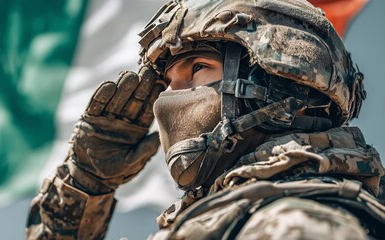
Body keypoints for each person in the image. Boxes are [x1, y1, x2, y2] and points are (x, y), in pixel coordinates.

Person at [26, 0, 385, 239]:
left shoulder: (293, 226)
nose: (168, 100)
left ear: (279, 83)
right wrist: (83, 185)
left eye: (198, 68)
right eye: (168, 83)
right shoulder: (226, 220)